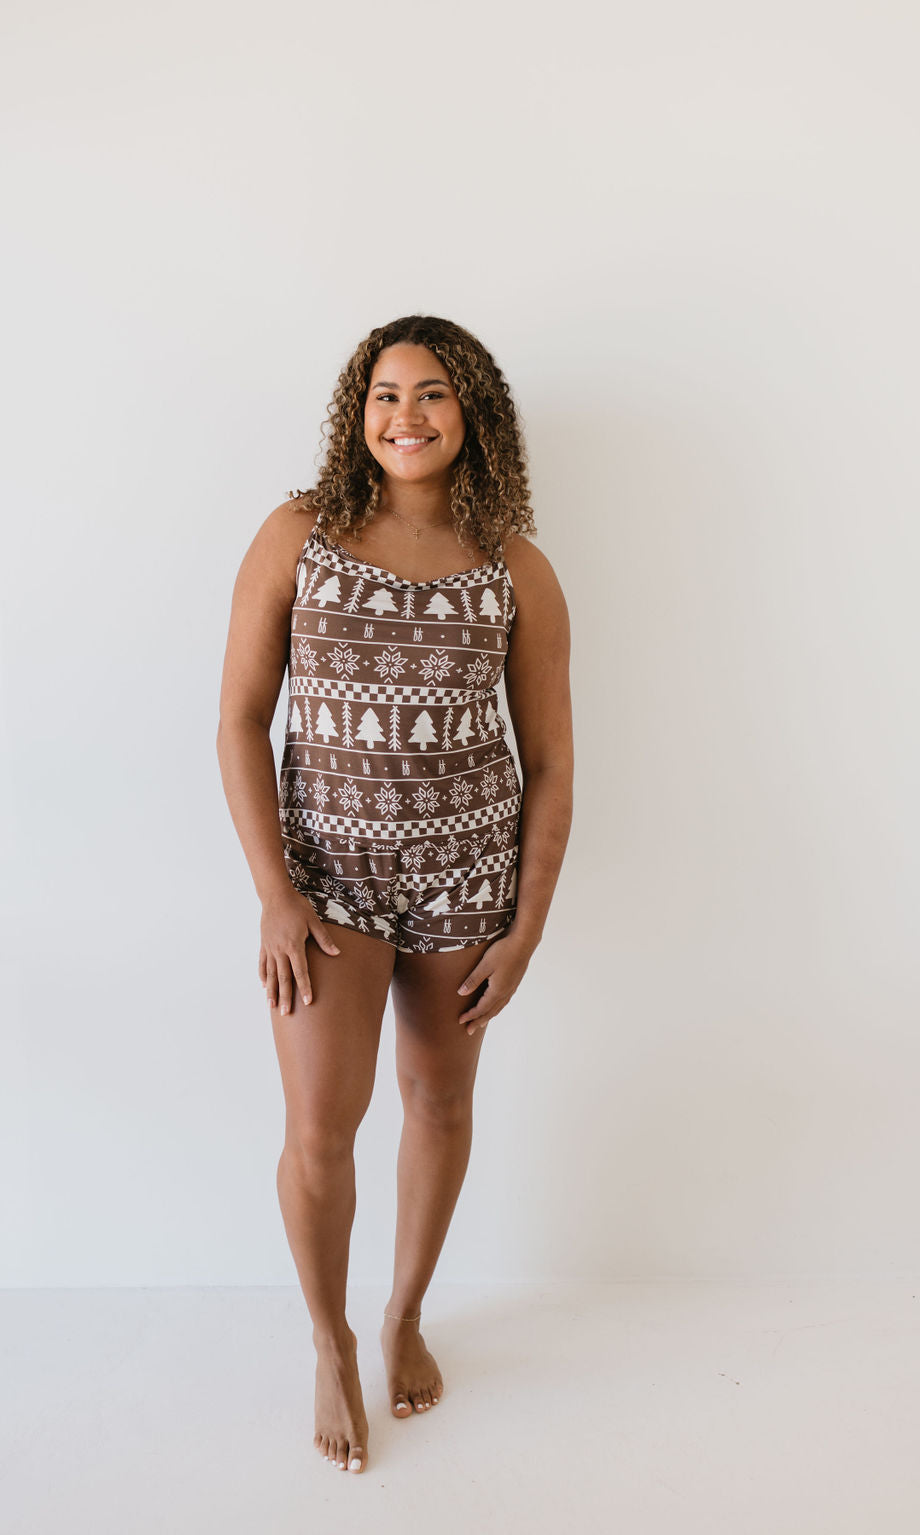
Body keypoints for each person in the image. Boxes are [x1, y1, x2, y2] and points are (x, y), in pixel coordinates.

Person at [216, 314, 572, 1475]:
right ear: (354, 414)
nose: (404, 415)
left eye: (430, 394)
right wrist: (274, 893)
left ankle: (406, 1309)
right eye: (383, 394)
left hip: (465, 880)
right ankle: (328, 1337)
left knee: (441, 1105)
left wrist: (525, 923)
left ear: (472, 412)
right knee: (321, 1130)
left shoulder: (514, 564)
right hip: (326, 882)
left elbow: (553, 761)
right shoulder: (297, 536)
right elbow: (236, 719)